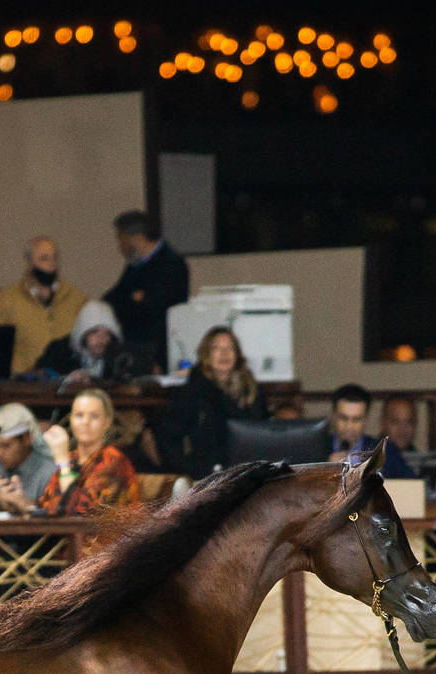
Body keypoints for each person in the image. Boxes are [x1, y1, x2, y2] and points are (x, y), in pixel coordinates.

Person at [153, 326, 269, 476]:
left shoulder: (252, 390)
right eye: (217, 348)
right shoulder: (190, 392)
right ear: (206, 354)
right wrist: (187, 471)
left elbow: (263, 432)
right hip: (204, 475)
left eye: (230, 348)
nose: (224, 354)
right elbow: (168, 439)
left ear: (237, 354)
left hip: (247, 471)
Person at [0, 237, 88, 374]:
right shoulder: (4, 301)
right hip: (23, 384)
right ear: (29, 263)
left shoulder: (77, 299)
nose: (51, 264)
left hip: (67, 381)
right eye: (44, 258)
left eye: (54, 258)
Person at [103, 209, 189, 371]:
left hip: (160, 351)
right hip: (136, 347)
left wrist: (135, 301)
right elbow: (114, 298)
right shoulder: (135, 266)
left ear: (135, 238)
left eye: (121, 239)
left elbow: (154, 307)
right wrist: (133, 299)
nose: (119, 246)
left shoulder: (171, 264)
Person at [34, 389, 141, 516]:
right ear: (71, 420)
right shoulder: (72, 458)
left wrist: (62, 460)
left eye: (94, 416)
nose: (85, 422)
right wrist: (20, 502)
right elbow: (48, 505)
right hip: (64, 533)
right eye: (79, 415)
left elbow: (79, 511)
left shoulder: (113, 459)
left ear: (107, 422)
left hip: (107, 534)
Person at [34, 299, 140, 384]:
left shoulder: (119, 360)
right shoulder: (59, 351)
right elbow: (38, 377)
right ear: (82, 333)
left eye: (107, 333)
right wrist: (66, 380)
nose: (101, 339)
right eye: (94, 332)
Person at [327, 383, 416, 478]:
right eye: (344, 418)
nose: (349, 426)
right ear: (334, 417)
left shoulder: (385, 451)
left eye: (356, 420)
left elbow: (414, 485)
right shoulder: (316, 449)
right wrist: (323, 471)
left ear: (365, 420)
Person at [0, 403, 54, 513]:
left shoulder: (50, 473)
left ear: (27, 439)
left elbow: (56, 521)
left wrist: (24, 504)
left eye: (6, 446)